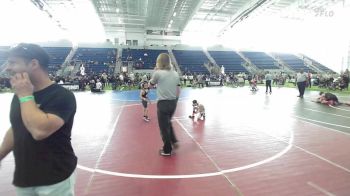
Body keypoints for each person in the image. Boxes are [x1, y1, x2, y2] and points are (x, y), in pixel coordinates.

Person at [0, 43, 77, 195]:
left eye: (13, 62)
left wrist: (25, 95)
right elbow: (17, 127)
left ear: (34, 64)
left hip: (55, 178)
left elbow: (39, 130)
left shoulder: (62, 96)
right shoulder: (21, 95)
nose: (7, 68)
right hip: (25, 178)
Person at [149, 53, 180, 156]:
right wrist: (175, 100)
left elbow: (150, 85)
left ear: (159, 62)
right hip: (173, 103)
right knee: (168, 123)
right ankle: (174, 141)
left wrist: (154, 73)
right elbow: (178, 89)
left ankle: (167, 150)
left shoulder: (158, 73)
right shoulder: (175, 73)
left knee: (163, 128)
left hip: (163, 103)